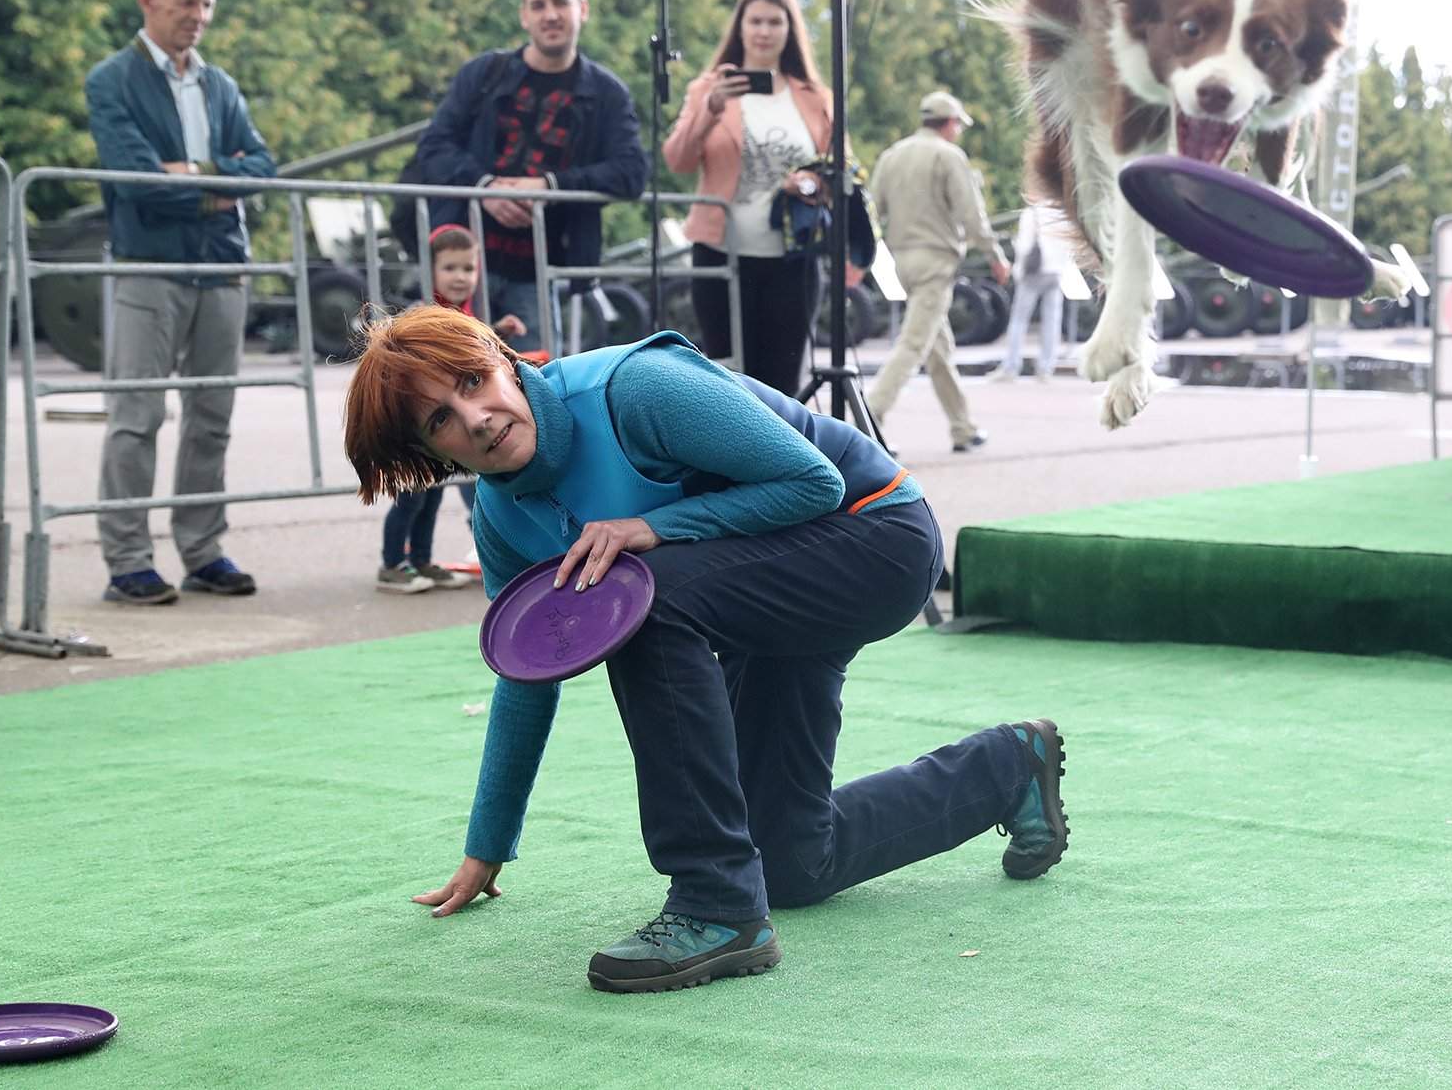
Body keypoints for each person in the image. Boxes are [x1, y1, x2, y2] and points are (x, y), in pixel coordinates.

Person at [341, 305, 1070, 994]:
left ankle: (715, 900)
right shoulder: (503, 517)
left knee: (635, 596)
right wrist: (488, 841)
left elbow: (815, 480)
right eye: (443, 418)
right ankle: (1009, 764)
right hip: (753, 591)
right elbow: (530, 670)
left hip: (872, 535)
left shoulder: (634, 389)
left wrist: (654, 528)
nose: (477, 417)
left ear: (503, 359)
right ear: (429, 452)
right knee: (791, 860)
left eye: (473, 381)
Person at [84, 0, 274, 605]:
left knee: (211, 415)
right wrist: (221, 178)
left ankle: (202, 549)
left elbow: (264, 169)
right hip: (148, 265)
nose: (199, 14)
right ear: (149, 2)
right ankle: (128, 559)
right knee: (136, 413)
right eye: (187, 1)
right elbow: (136, 182)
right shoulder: (112, 81)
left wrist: (192, 175)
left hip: (220, 264)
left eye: (207, 2)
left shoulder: (220, 85)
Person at [409, 0, 648, 356]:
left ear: (582, 9)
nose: (550, 14)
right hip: (459, 262)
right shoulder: (484, 74)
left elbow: (632, 172)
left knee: (535, 389)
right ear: (524, 16)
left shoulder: (608, 93)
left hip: (541, 269)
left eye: (560, 2)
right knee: (444, 379)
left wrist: (549, 186)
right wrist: (485, 189)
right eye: (538, 5)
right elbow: (433, 147)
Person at [662, 0, 833, 398]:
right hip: (722, 254)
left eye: (774, 22)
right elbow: (677, 160)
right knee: (729, 379)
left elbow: (837, 170)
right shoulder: (707, 88)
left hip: (794, 257)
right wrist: (710, 110)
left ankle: (783, 464)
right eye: (754, 21)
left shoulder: (814, 95)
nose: (763, 31)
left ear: (790, 30)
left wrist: (810, 183)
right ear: (739, 28)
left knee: (783, 382)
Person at [375, 225, 526, 594]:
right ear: (430, 271)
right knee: (410, 500)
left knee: (433, 497)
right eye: (450, 268)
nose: (460, 277)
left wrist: (494, 331)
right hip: (418, 429)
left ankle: (423, 560)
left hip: (443, 427)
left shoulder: (464, 313)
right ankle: (392, 564)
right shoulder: (420, 315)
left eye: (468, 269)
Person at [864, 90, 1011, 451]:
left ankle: (963, 428)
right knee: (914, 344)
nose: (959, 131)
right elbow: (970, 213)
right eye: (959, 124)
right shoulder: (949, 156)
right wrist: (995, 254)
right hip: (935, 261)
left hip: (902, 260)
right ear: (949, 123)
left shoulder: (892, 155)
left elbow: (872, 210)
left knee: (937, 347)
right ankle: (868, 419)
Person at [992, 202, 1076, 382]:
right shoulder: (1063, 214)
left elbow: (1023, 245)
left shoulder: (1032, 214)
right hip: (1056, 272)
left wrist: (1018, 272)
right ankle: (1046, 368)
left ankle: (1011, 366)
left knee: (1019, 320)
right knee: (1052, 320)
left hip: (1033, 272)